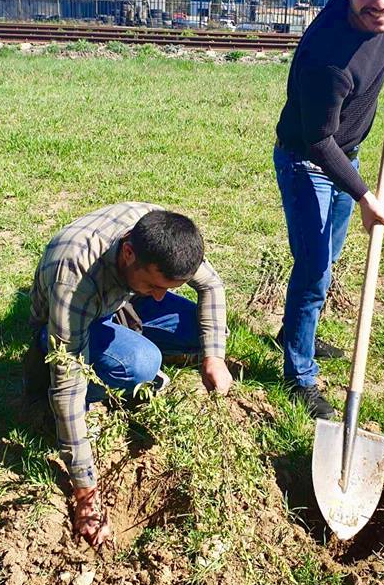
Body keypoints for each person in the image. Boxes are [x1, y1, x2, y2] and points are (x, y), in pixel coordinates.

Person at [273, 0, 384, 418]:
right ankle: (298, 374)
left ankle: (292, 333)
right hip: (309, 162)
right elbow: (318, 141)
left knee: (326, 259)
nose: (382, 3)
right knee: (315, 268)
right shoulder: (329, 58)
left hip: (349, 153)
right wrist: (364, 195)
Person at [25, 202, 232, 546]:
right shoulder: (76, 276)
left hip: (122, 297)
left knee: (207, 331)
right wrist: (86, 496)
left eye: (170, 287)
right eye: (156, 285)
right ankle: (108, 369)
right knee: (142, 363)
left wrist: (214, 357)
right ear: (128, 252)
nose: (163, 296)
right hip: (71, 320)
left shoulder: (162, 235)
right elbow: (68, 384)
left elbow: (213, 287)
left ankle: (129, 325)